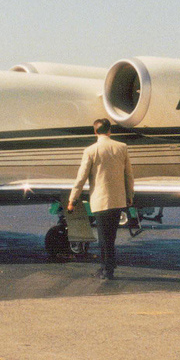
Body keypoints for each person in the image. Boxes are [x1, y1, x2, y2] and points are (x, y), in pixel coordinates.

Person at [67, 118, 135, 279]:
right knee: (111, 236)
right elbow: (129, 176)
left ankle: (106, 270)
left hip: (101, 200)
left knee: (103, 237)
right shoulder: (122, 147)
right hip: (118, 200)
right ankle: (109, 265)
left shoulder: (90, 151)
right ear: (110, 131)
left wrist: (72, 199)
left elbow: (81, 178)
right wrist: (130, 195)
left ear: (95, 131)